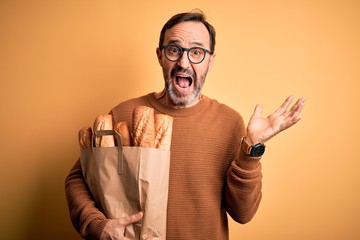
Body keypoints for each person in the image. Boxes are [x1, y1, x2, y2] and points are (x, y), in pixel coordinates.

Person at [65, 10, 305, 240]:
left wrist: (251, 148)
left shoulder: (230, 123)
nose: (183, 62)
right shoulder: (123, 115)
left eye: (197, 52)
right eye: (174, 50)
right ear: (160, 56)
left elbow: (243, 214)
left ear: (210, 61)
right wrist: (98, 226)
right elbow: (77, 178)